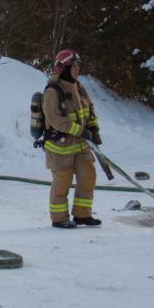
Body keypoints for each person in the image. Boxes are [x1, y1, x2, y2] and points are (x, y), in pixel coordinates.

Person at [41, 49, 103, 229]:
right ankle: (59, 218)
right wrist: (80, 130)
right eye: (74, 66)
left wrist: (93, 128)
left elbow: (90, 110)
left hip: (81, 145)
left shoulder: (78, 87)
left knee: (88, 177)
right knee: (62, 182)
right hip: (60, 148)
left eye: (78, 66)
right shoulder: (53, 91)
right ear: (65, 68)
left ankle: (82, 215)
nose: (78, 69)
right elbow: (55, 120)